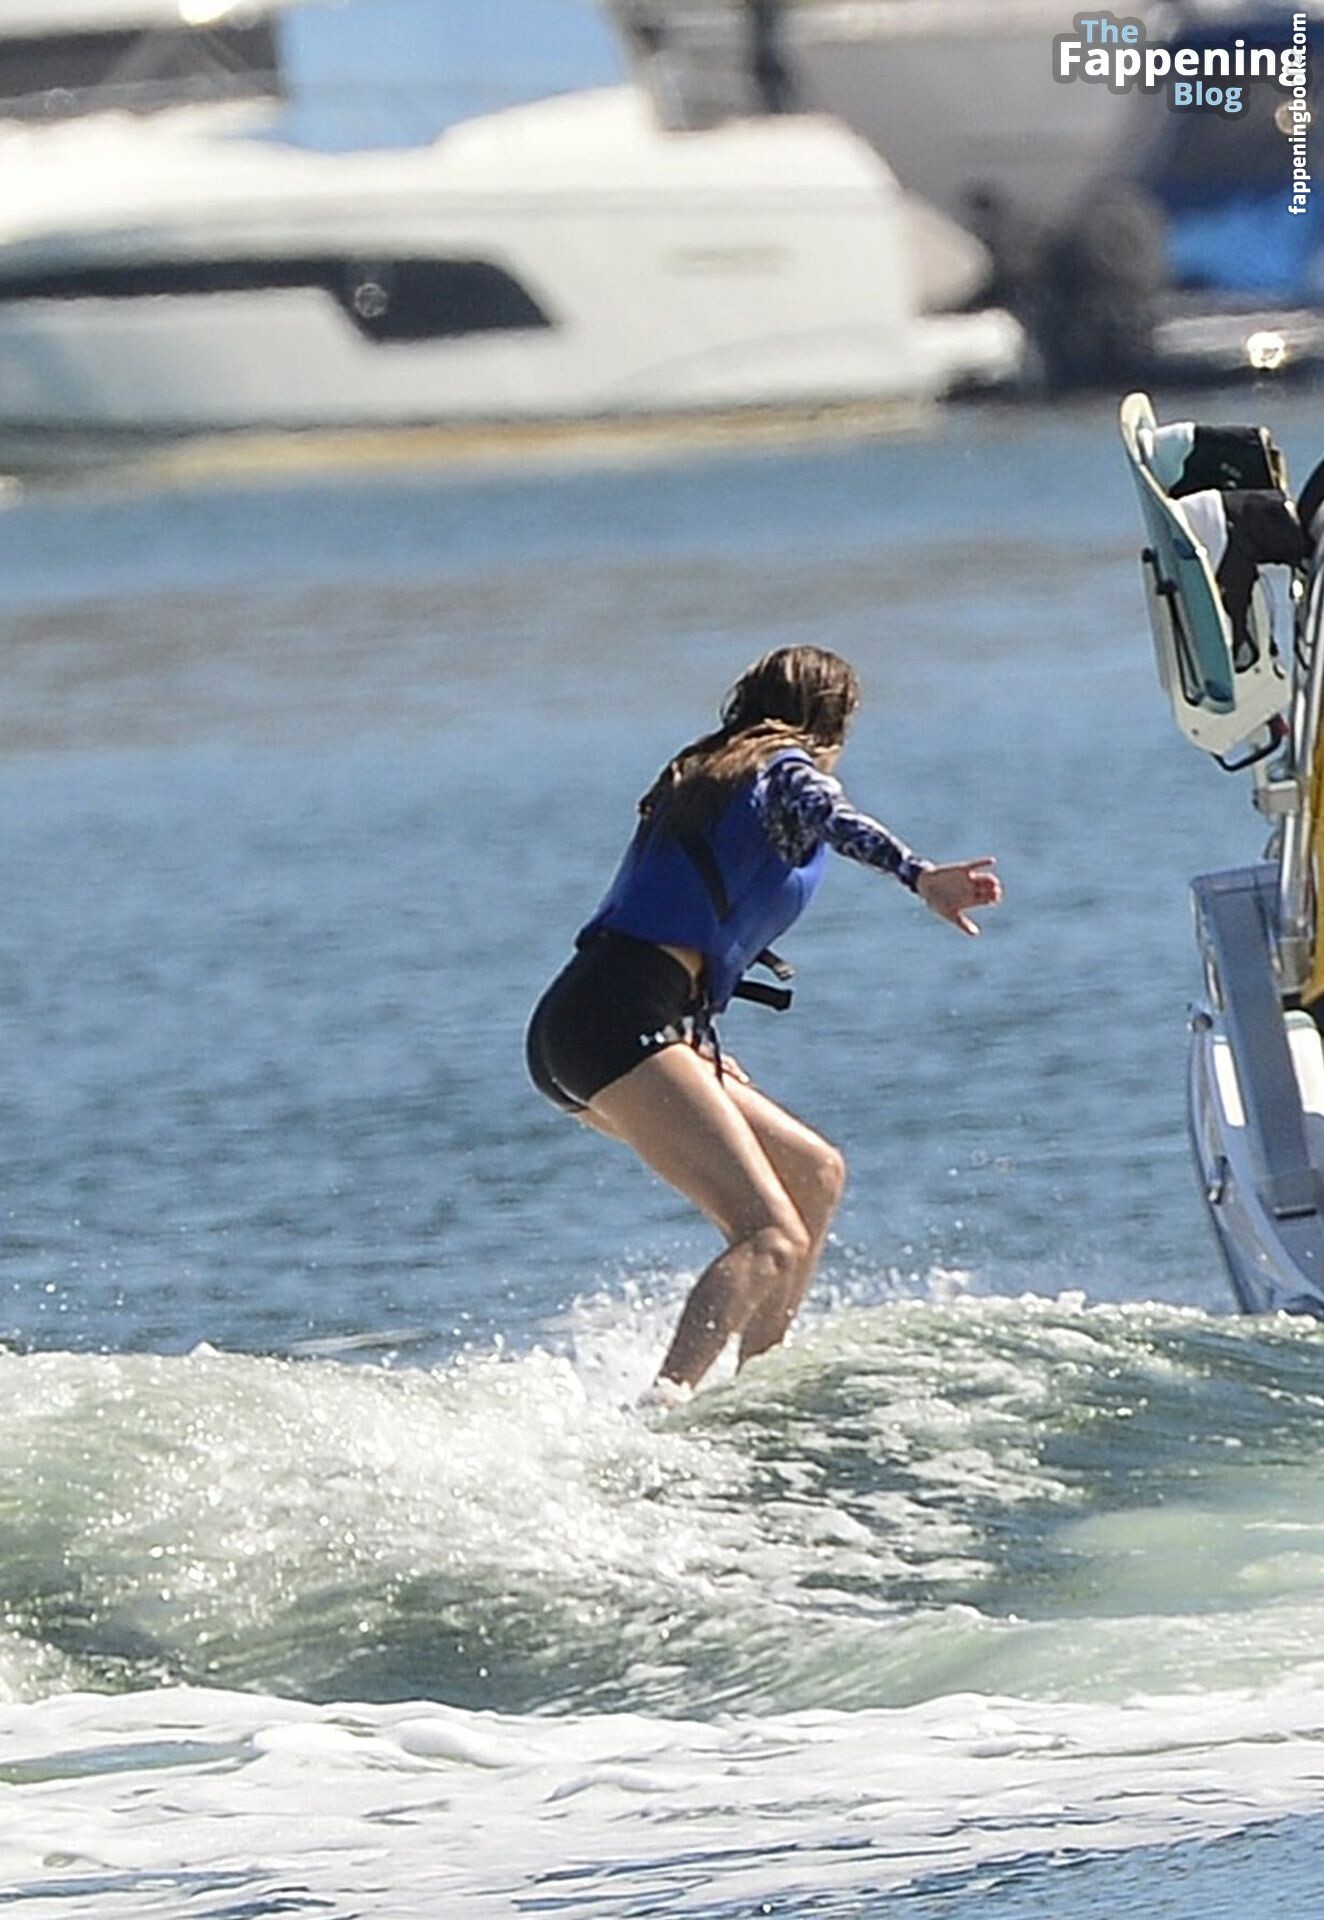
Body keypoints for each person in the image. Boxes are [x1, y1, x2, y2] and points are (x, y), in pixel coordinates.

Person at [525, 646, 1001, 1401]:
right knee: (770, 1234)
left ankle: (759, 1389)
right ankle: (664, 1408)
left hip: (604, 1018)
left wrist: (690, 1039)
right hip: (615, 1021)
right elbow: (832, 816)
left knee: (815, 1174)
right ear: (832, 724)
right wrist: (920, 875)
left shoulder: (708, 773)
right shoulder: (784, 770)